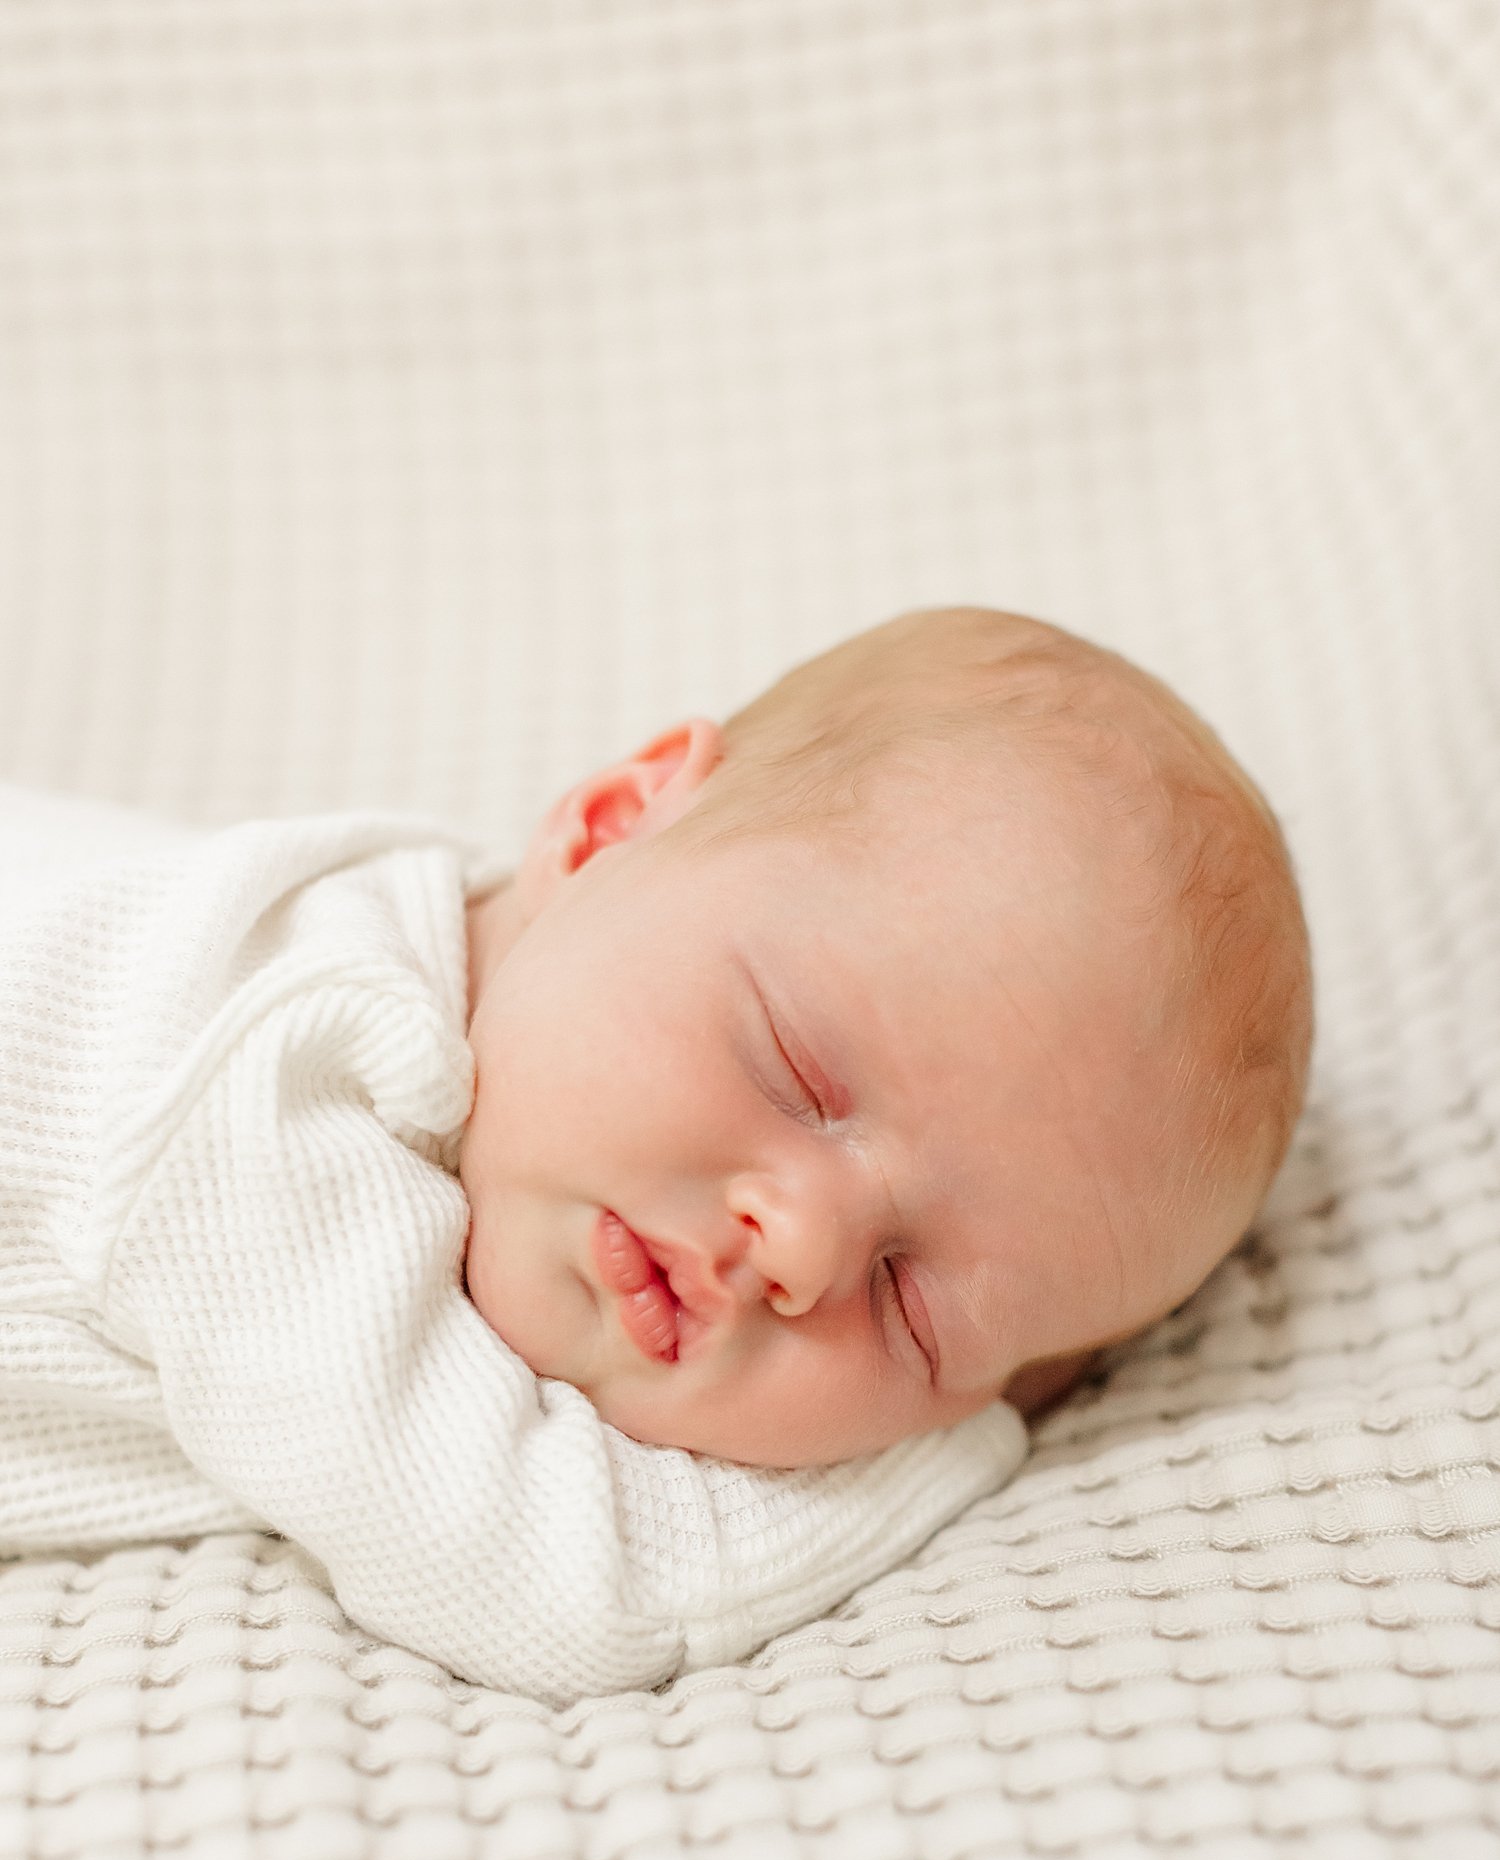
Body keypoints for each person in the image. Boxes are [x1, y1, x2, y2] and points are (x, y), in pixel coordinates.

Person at [0, 609, 1310, 1702]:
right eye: (796, 1068)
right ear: (610, 823)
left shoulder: (540, 1044)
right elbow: (539, 1580)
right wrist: (953, 1447)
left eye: (914, 1313)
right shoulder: (286, 1053)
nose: (798, 1247)